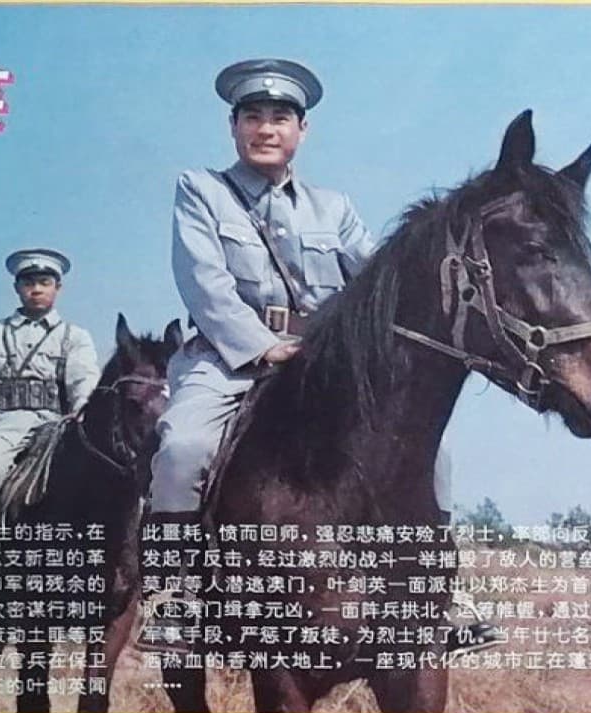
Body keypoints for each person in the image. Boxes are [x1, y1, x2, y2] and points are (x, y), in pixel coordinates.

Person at [143, 58, 497, 655]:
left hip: (321, 363)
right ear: (234, 126)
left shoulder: (334, 208)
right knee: (183, 447)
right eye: (252, 116)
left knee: (428, 452)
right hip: (228, 359)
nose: (266, 128)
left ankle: (439, 592)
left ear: (302, 130)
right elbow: (204, 284)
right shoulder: (201, 190)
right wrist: (263, 346)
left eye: (280, 117)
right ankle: (175, 594)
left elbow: (378, 281)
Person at [0, 249, 100, 581]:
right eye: (29, 283)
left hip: (55, 425)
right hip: (3, 423)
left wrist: (79, 414)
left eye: (45, 282)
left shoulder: (75, 336)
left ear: (58, 288)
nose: (37, 289)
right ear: (17, 288)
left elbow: (84, 384)